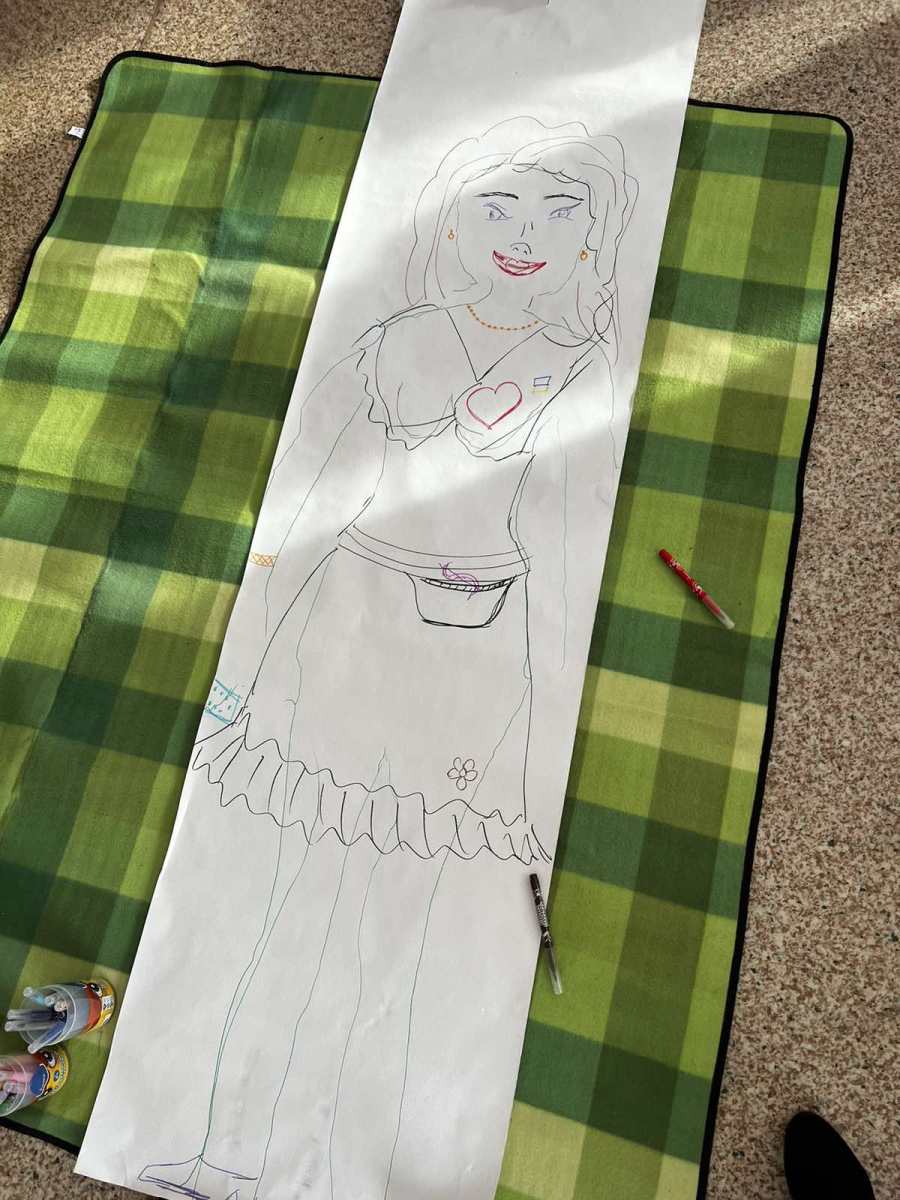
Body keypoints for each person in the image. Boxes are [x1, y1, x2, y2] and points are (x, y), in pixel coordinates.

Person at [140, 116, 636, 1200]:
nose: (525, 237)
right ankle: (224, 1149)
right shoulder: (393, 340)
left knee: (390, 933)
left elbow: (562, 553)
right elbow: (304, 505)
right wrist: (244, 671)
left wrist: (535, 742)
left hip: (469, 666)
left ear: (594, 239)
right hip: (339, 629)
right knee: (285, 909)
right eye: (497, 207)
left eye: (560, 214)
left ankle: (338, 1168)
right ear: (448, 223)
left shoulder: (576, 367)